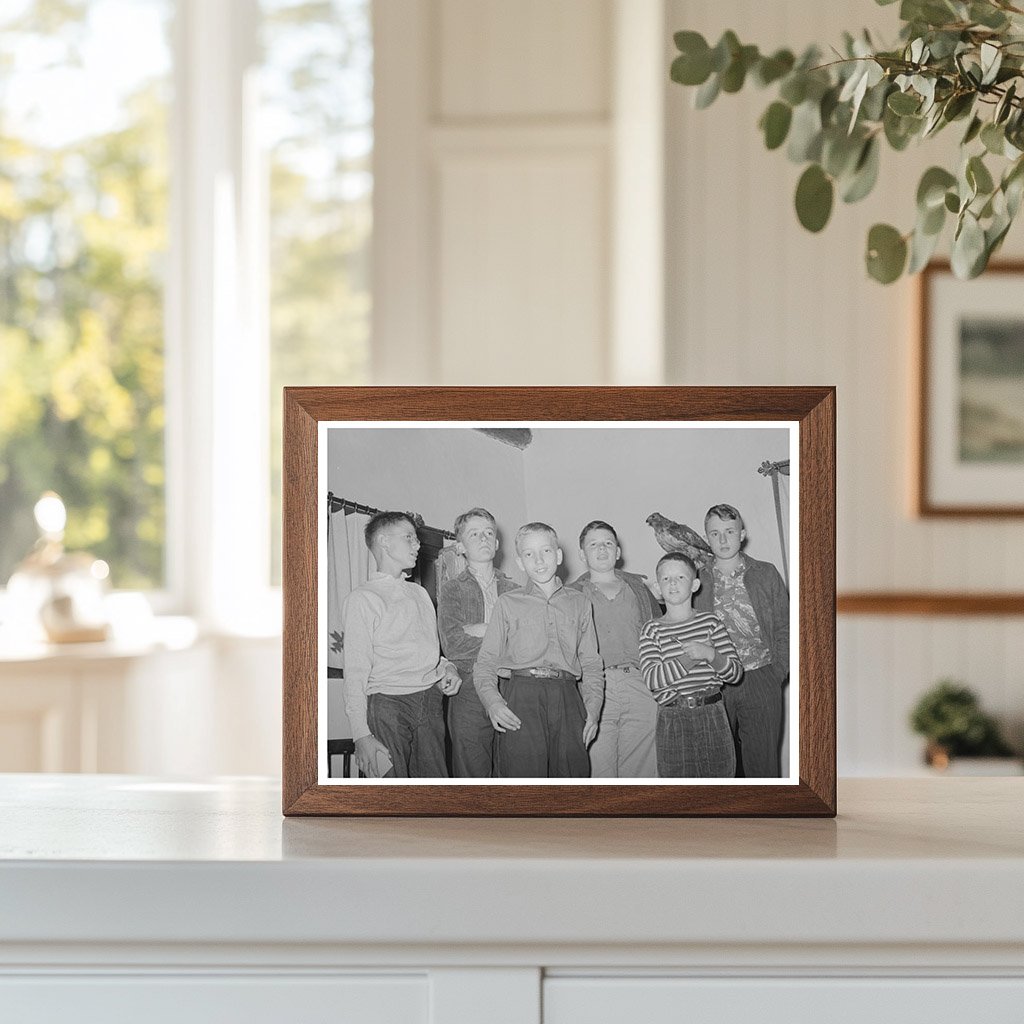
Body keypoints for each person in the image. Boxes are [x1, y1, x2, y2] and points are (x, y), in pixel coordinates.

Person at [473, 522, 604, 778]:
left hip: (568, 698)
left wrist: (593, 710)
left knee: (571, 781)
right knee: (525, 786)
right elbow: (486, 663)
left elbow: (591, 663)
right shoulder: (508, 603)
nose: (539, 560)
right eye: (529, 554)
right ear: (520, 562)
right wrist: (493, 703)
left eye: (545, 551)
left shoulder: (580, 603)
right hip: (522, 698)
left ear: (558, 555)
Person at [341, 511, 461, 778]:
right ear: (384, 542)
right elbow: (356, 671)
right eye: (409, 537)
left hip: (430, 701)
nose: (418, 544)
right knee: (393, 795)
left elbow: (431, 651)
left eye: (417, 539)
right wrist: (361, 734)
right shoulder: (363, 598)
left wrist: (448, 668)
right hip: (388, 705)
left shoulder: (420, 594)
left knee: (434, 793)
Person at [695, 503, 790, 778]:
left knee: (762, 766)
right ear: (707, 537)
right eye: (715, 533)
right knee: (718, 765)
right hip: (715, 682)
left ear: (742, 533)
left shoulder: (766, 573)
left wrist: (776, 672)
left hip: (761, 678)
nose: (723, 540)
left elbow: (785, 625)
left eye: (729, 531)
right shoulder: (697, 580)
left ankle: (765, 819)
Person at [569, 520, 661, 778]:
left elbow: (659, 634)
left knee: (643, 771)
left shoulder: (640, 589)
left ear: (618, 552)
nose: (602, 549)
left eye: (608, 543)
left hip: (639, 684)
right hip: (594, 688)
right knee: (599, 770)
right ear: (582, 554)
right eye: (594, 544)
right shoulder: (570, 595)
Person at [639, 552, 742, 778]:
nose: (673, 583)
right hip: (672, 718)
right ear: (657, 587)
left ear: (695, 584)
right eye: (666, 579)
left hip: (712, 714)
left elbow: (735, 673)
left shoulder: (711, 623)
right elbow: (653, 679)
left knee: (721, 784)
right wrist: (692, 658)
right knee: (678, 793)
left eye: (681, 578)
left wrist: (711, 654)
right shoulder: (651, 629)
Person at [436, 507, 517, 777]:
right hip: (469, 689)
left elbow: (525, 643)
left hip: (511, 685)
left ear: (496, 543)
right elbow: (454, 645)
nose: (483, 539)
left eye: (488, 533)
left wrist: (481, 629)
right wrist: (499, 632)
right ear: (460, 547)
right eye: (474, 534)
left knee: (513, 769)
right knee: (472, 771)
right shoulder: (451, 590)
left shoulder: (516, 591)